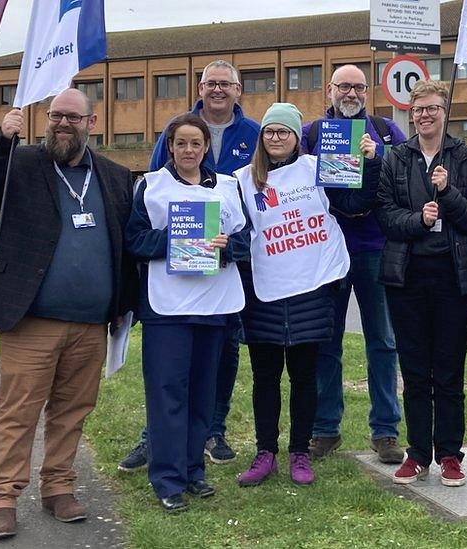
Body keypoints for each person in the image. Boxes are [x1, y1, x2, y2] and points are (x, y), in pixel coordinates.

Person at [0, 88, 138, 540]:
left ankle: (58, 486)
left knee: (72, 410)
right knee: (18, 411)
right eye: (56, 115)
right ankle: (3, 497)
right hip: (31, 320)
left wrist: (122, 306)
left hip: (91, 324)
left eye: (72, 118)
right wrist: (1, 139)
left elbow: (125, 246)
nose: (62, 123)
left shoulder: (115, 177)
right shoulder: (19, 164)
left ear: (91, 123)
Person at [119, 60, 260, 471]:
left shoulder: (251, 138)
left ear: (238, 90)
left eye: (225, 84)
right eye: (210, 83)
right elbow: (140, 232)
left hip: (220, 289)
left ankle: (211, 435)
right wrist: (178, 240)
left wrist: (225, 247)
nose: (217, 90)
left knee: (213, 370)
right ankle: (158, 447)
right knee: (168, 382)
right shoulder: (157, 176)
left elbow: (246, 231)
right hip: (170, 297)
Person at [235, 103, 376, 487]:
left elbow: (355, 204)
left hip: (311, 289)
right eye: (269, 132)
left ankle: (300, 452)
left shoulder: (317, 167)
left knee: (304, 376)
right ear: (261, 137)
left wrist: (368, 163)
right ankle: (266, 452)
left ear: (298, 137)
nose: (276, 138)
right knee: (265, 377)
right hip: (264, 292)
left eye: (284, 131)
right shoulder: (242, 180)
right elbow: (235, 231)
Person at [376, 80, 467, 487]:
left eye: (432, 108)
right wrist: (417, 220)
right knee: (415, 369)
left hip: (453, 277)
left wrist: (449, 192)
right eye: (417, 108)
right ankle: (418, 452)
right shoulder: (395, 158)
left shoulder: (466, 157)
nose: (424, 115)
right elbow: (385, 215)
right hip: (406, 276)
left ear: (446, 111)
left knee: (449, 370)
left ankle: (449, 455)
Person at [301, 64, 408, 463]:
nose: (351, 93)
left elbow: (409, 165)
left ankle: (385, 431)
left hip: (374, 248)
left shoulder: (383, 130)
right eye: (344, 86)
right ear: (330, 89)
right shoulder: (312, 134)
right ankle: (326, 429)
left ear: (367, 92)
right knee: (326, 342)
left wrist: (377, 154)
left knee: (382, 341)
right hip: (326, 251)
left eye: (359, 87)